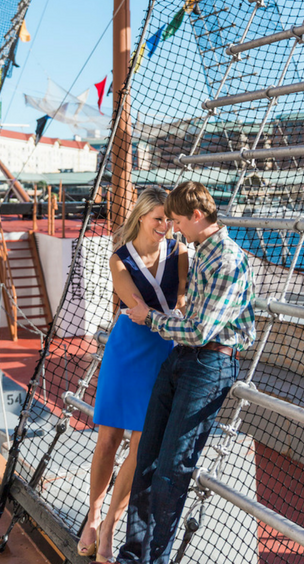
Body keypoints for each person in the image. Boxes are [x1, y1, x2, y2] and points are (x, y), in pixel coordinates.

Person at [115, 181, 256, 564]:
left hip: (210, 364)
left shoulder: (227, 260)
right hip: (182, 358)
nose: (173, 227)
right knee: (147, 456)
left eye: (176, 220)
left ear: (196, 216)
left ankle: (153, 560)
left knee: (172, 467)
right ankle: (133, 556)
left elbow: (199, 330)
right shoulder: (201, 254)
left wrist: (150, 318)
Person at [79, 186, 188, 562]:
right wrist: (171, 316)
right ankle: (92, 516)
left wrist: (181, 315)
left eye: (170, 219)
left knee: (142, 448)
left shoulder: (179, 252)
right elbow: (135, 304)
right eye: (159, 218)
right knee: (108, 439)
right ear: (142, 217)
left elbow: (184, 295)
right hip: (128, 349)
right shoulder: (119, 258)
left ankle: (110, 523)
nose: (166, 226)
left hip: (163, 351)